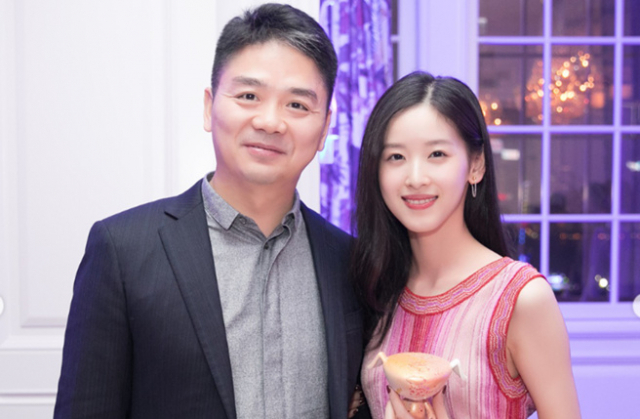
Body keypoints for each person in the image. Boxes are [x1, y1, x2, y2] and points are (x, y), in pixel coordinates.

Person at [54, 4, 366, 419]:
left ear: (324, 127)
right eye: (249, 96)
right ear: (209, 106)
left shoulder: (349, 263)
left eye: (296, 105)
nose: (270, 122)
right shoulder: (123, 251)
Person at [351, 71, 581, 418]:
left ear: (476, 165)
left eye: (437, 154)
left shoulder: (520, 298)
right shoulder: (377, 289)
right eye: (396, 157)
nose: (415, 178)